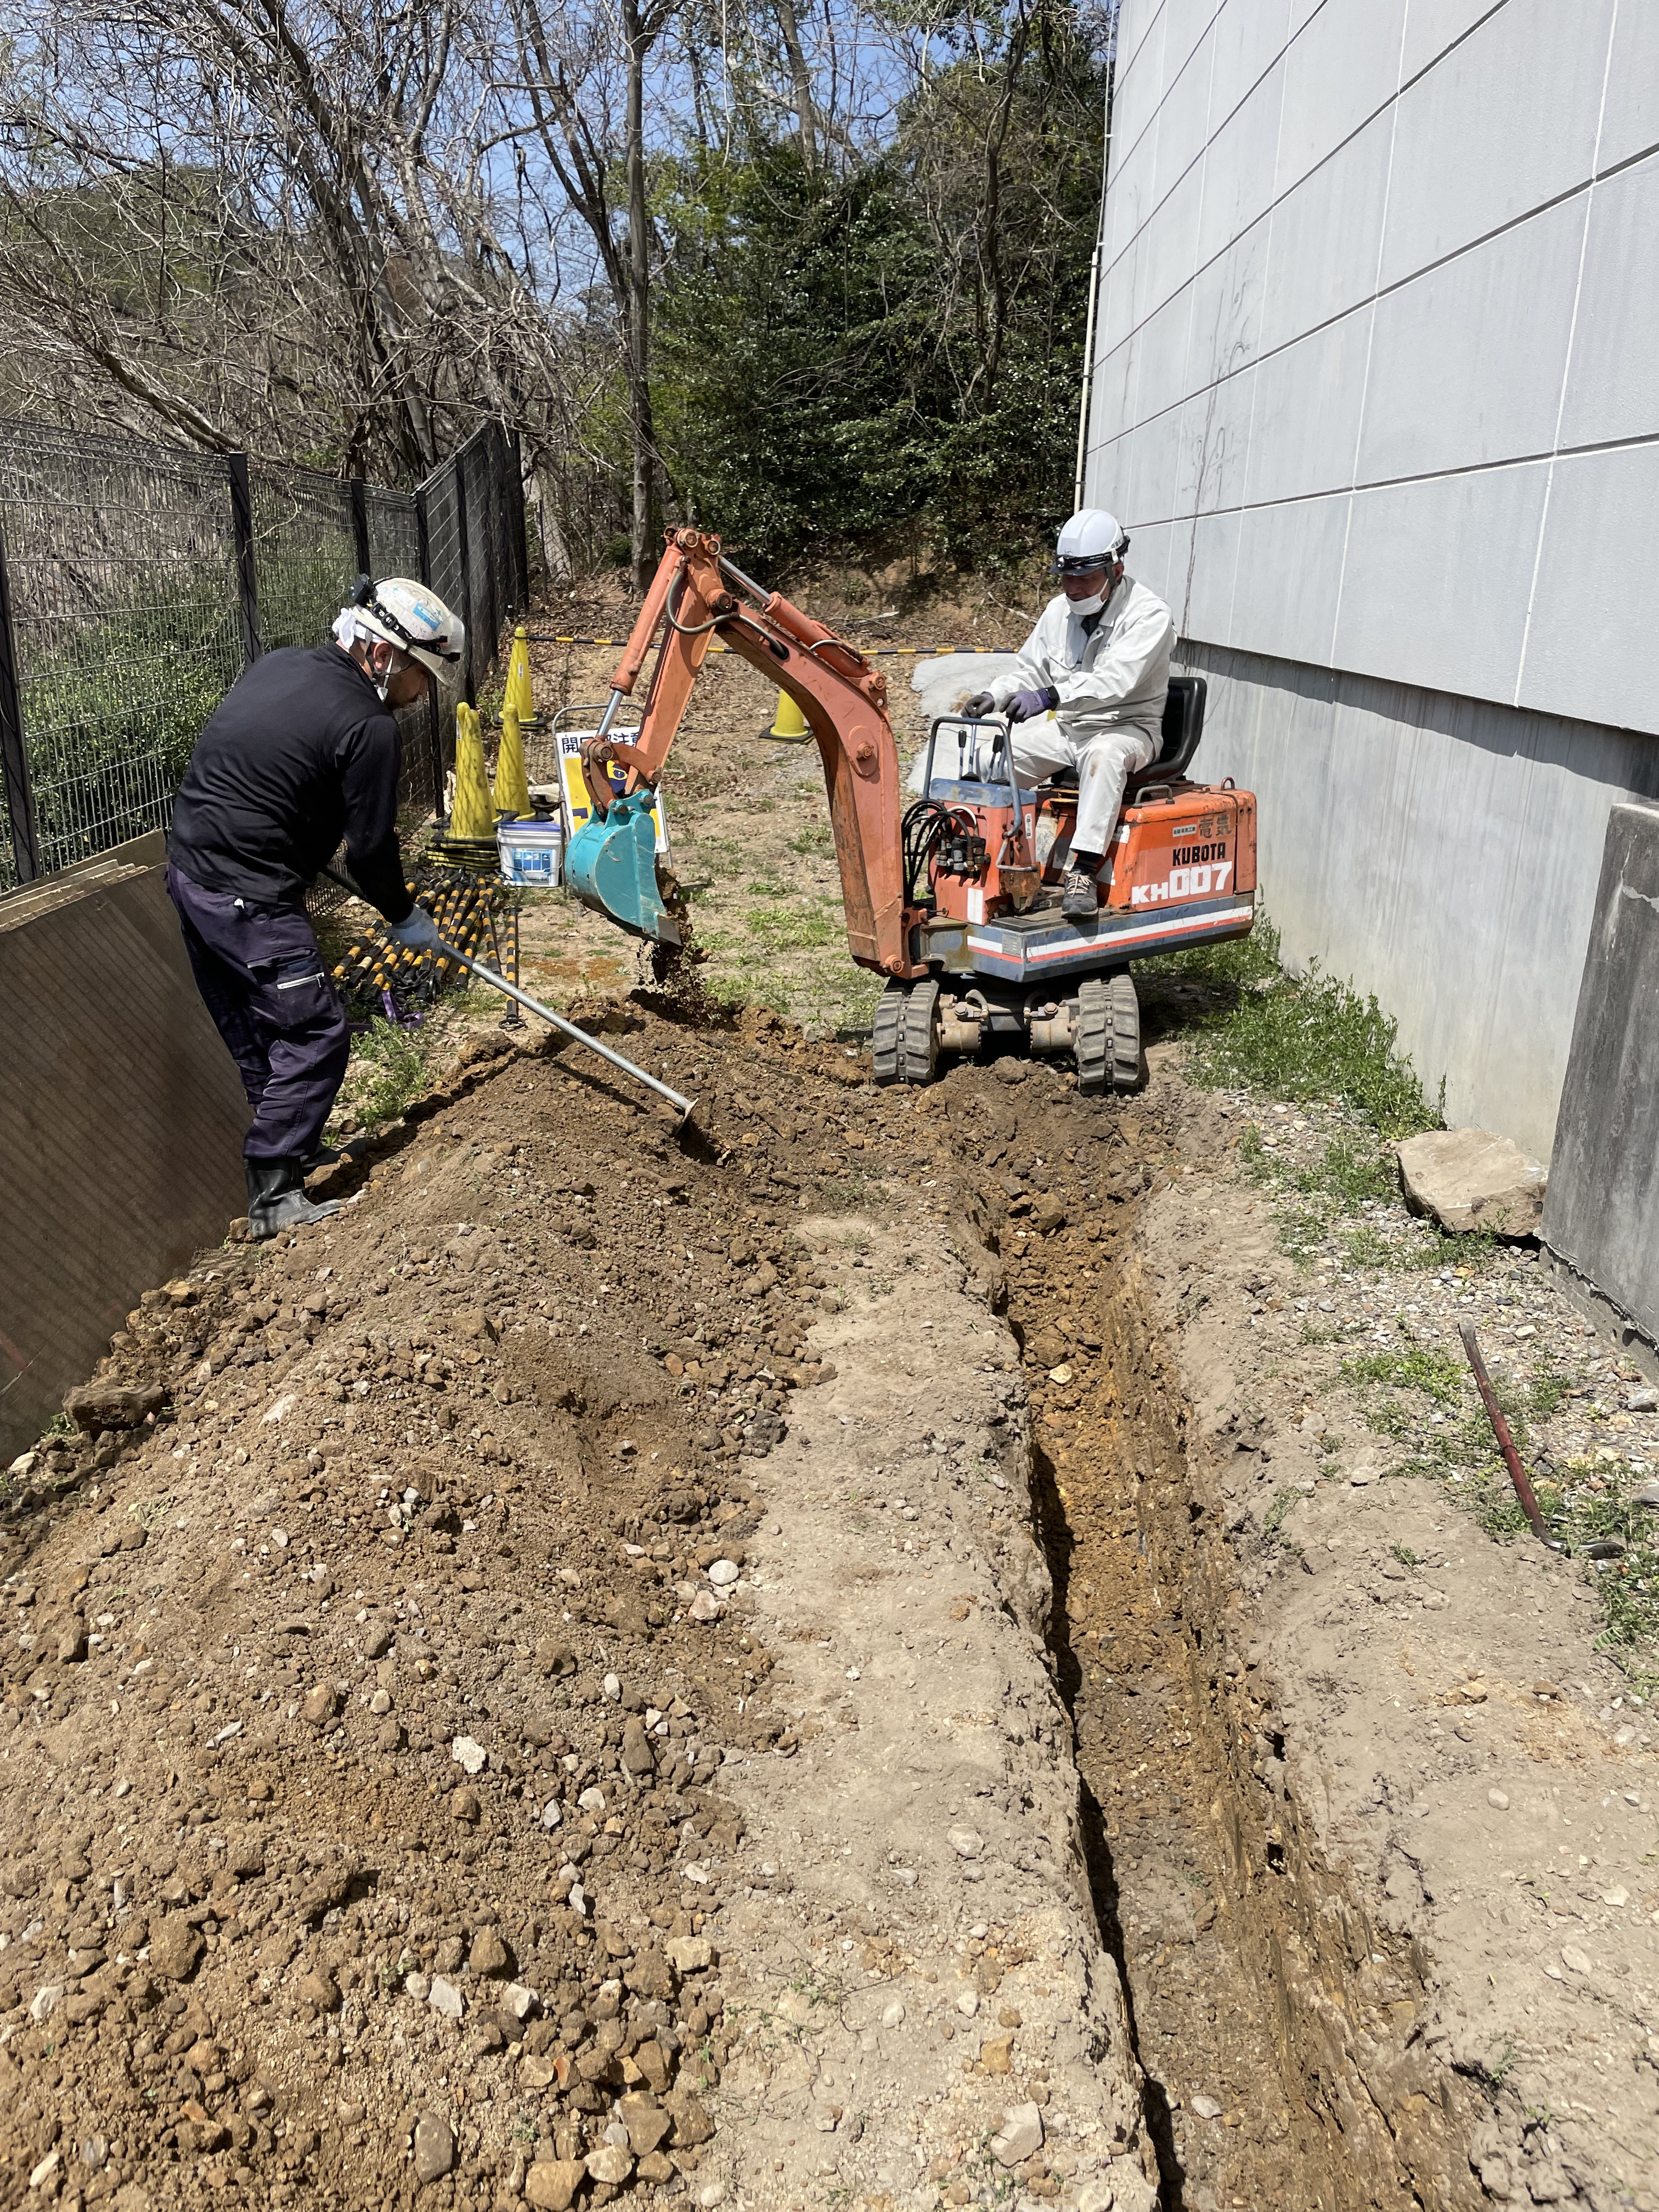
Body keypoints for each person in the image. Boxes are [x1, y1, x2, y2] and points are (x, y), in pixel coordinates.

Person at [166, 578, 464, 1241]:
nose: (422, 697)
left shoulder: (282, 663)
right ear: (388, 657)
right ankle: (274, 1192)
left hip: (190, 874)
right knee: (313, 1031)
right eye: (424, 677)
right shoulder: (368, 724)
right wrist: (405, 916)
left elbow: (264, 760)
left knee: (260, 1025)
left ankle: (291, 1154)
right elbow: (371, 856)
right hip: (249, 896)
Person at [964, 508, 1173, 918]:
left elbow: (1116, 682)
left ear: (1116, 570)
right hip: (1070, 728)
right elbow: (1029, 667)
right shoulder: (1059, 610)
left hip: (1128, 727)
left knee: (1104, 757)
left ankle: (1083, 870)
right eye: (1065, 576)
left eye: (1084, 577)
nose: (1072, 587)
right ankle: (986, 856)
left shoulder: (1149, 615)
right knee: (999, 758)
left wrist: (1049, 696)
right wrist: (995, 693)